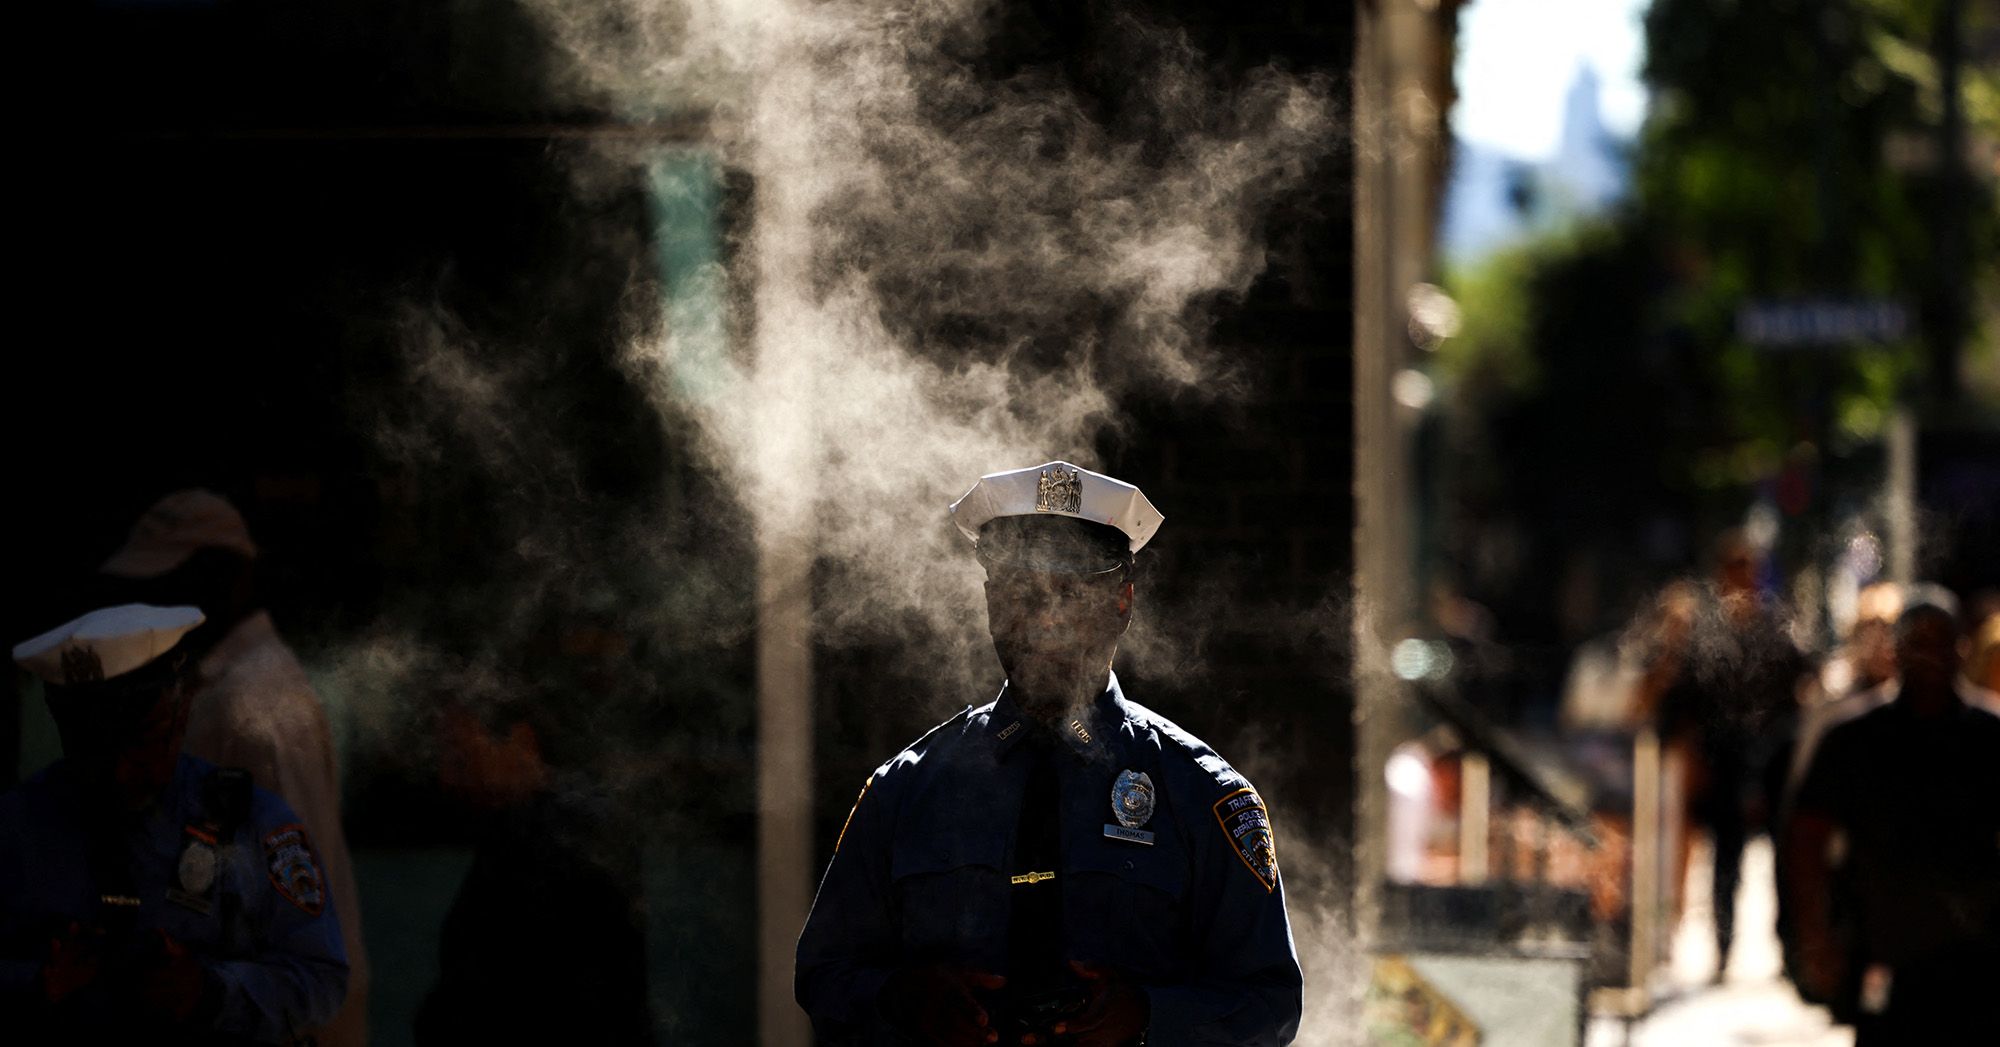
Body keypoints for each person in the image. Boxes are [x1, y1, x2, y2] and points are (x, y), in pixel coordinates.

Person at [795, 461, 1302, 1047]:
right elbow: (824, 977)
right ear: (989, 602)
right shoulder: (905, 790)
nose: (1047, 619)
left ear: (1123, 602)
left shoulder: (1203, 793)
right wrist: (901, 1000)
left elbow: (1272, 1003)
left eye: (1073, 591)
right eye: (1021, 593)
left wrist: (1146, 1018)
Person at [1, 603, 348, 1042]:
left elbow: (320, 978)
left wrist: (210, 992)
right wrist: (37, 983)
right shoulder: (16, 827)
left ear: (181, 713)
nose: (121, 771)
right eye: (94, 750)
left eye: (141, 743)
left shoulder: (254, 826)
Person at [97, 489, 369, 1045]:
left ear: (226, 576)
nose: (149, 602)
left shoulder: (259, 703)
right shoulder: (217, 686)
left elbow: (299, 894)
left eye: (166, 580)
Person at [1785, 600, 2000, 1043]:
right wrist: (1815, 936)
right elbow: (1806, 838)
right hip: (1882, 952)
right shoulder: (1853, 738)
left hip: (1976, 958)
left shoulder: (1990, 735)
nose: (1929, 656)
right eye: (1917, 643)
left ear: (1960, 650)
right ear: (1896, 650)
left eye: (1939, 643)